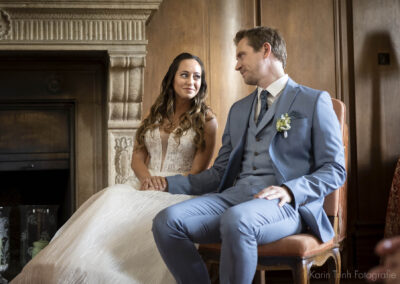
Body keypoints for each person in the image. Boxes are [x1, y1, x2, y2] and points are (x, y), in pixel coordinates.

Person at [152, 26, 347, 284]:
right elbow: (219, 173)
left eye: (241, 56)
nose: (237, 65)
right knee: (166, 222)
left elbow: (335, 170)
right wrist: (168, 183)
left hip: (286, 206)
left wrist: (290, 191)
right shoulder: (239, 110)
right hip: (234, 198)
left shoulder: (313, 101)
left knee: (237, 220)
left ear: (265, 50)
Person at [11, 52, 217, 284]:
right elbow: (137, 157)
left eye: (197, 77)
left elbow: (199, 172)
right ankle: (77, 270)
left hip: (179, 191)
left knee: (148, 221)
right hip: (143, 184)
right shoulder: (155, 113)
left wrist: (166, 185)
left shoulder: (206, 119)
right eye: (185, 75)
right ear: (172, 78)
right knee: (109, 201)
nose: (191, 82)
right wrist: (147, 179)